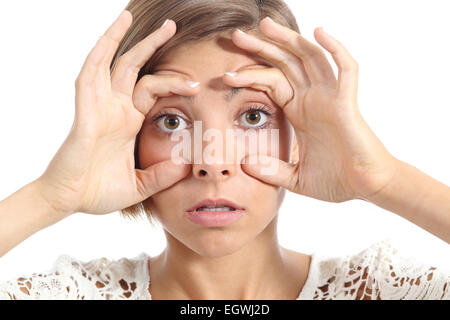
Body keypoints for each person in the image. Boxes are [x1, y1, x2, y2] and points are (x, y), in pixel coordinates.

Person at [0, 0, 449, 300]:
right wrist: (53, 195)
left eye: (253, 116)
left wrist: (382, 179)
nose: (212, 162)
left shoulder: (385, 289)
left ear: (297, 128)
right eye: (171, 121)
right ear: (132, 140)